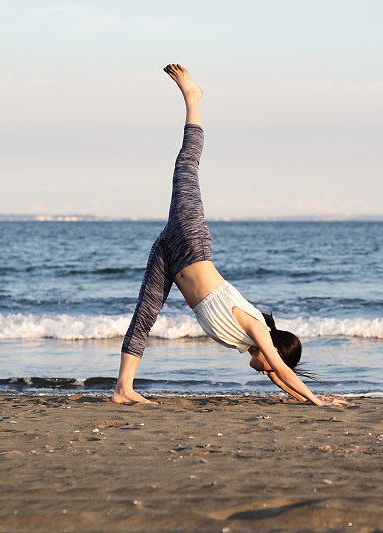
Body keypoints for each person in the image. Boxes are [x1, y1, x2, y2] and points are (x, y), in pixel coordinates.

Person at [113, 64, 349, 407]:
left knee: (144, 315)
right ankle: (193, 99)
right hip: (190, 241)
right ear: (274, 353)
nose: (265, 372)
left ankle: (123, 389)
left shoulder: (251, 345)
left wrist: (302, 398)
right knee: (186, 166)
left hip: (169, 252)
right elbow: (281, 370)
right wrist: (318, 402)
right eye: (270, 365)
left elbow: (278, 376)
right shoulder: (256, 327)